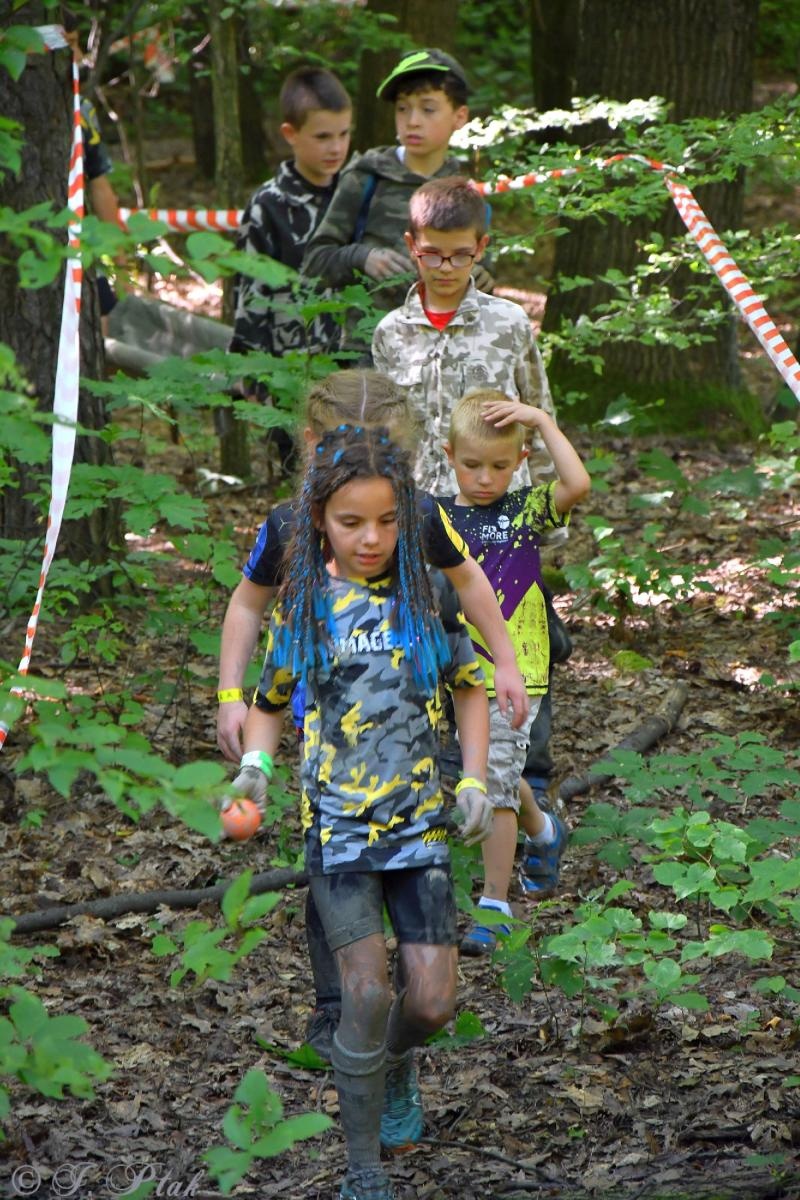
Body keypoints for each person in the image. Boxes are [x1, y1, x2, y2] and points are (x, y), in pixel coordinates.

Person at [216, 369, 528, 1057]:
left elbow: (469, 580)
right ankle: (338, 1008)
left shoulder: (412, 515)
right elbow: (247, 603)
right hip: (312, 693)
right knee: (331, 844)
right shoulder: (290, 525)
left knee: (398, 839)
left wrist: (503, 661)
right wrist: (233, 696)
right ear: (310, 444)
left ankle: (393, 1010)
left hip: (405, 694)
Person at [231, 423, 491, 1200]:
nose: (371, 537)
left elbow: (471, 683)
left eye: (385, 521)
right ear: (319, 521)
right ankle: (362, 1168)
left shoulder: (423, 596)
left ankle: (394, 1065)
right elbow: (270, 702)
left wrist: (474, 779)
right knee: (366, 994)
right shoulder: (305, 610)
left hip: (421, 829)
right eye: (351, 522)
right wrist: (254, 764)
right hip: (339, 831)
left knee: (433, 1003)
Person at [371, 174, 570, 841]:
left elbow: (537, 410)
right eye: (434, 254)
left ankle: (526, 791)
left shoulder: (510, 324)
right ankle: (446, 788)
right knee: (432, 660)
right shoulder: (390, 334)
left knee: (508, 656)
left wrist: (550, 533)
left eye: (462, 254)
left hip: (501, 528)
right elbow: (386, 436)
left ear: (482, 247)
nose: (448, 267)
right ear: (412, 247)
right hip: (420, 524)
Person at [439, 391, 590, 953]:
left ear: (520, 459)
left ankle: (495, 904)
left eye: (500, 466)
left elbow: (577, 485)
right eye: (472, 464)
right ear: (449, 454)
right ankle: (544, 830)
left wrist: (543, 421)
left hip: (515, 669)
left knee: (496, 781)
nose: (485, 478)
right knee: (487, 768)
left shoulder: (524, 509)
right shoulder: (435, 518)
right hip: (453, 670)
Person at [302, 48, 492, 330]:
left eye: (428, 109)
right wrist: (363, 258)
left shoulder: (467, 192)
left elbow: (486, 274)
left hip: (442, 352)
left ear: (459, 116)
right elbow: (314, 264)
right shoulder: (366, 178)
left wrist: (478, 275)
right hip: (365, 350)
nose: (412, 120)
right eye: (403, 108)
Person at [229, 66, 352, 464]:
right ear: (290, 135)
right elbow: (250, 295)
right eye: (322, 136)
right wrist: (255, 373)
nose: (336, 147)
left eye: (344, 134)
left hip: (353, 365)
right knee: (305, 479)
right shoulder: (269, 206)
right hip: (291, 372)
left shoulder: (357, 194)